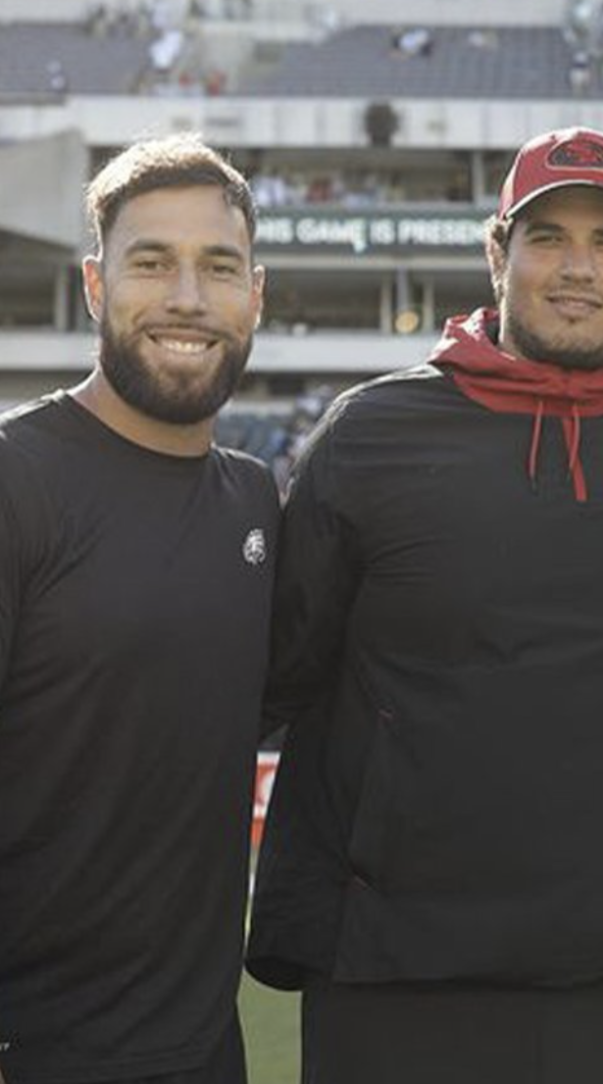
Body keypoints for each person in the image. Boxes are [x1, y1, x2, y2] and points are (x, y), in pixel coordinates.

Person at [246, 126, 603, 1084]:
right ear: (497, 252)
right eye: (547, 238)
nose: (577, 269)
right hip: (397, 964)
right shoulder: (371, 433)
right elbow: (284, 668)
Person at [0, 134, 277, 1084]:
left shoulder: (254, 503)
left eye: (218, 267)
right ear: (93, 285)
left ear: (256, 296)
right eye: (151, 263)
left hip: (203, 1052)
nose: (188, 299)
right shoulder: (15, 481)